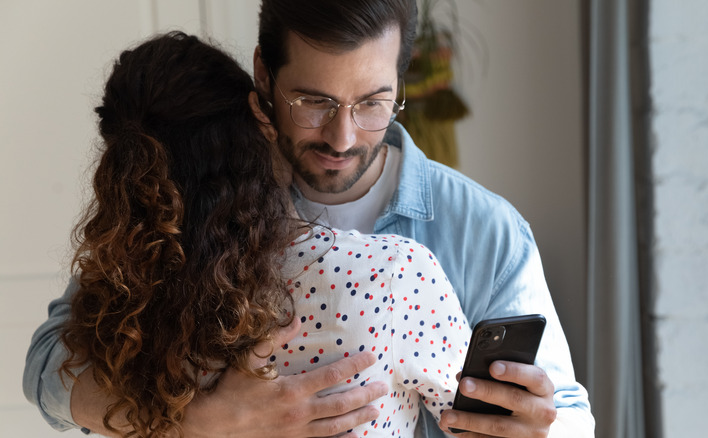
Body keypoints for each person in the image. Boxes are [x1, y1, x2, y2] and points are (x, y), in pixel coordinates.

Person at [25, 1, 595, 437]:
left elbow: (571, 416)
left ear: (401, 83)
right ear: (263, 78)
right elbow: (49, 366)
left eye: (373, 102)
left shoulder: (484, 230)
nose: (343, 137)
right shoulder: (193, 201)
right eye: (314, 101)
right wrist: (201, 421)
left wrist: (539, 425)